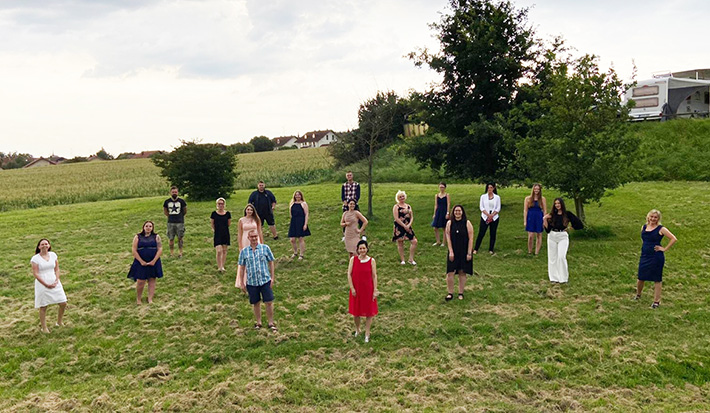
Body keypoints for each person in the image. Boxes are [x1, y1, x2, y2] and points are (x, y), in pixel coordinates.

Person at [635, 209, 677, 309]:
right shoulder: (644, 227)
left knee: (657, 278)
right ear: (648, 217)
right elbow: (644, 239)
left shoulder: (661, 229)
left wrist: (664, 249)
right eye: (651, 216)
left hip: (656, 257)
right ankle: (638, 295)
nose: (653, 219)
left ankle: (656, 301)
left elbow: (673, 238)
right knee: (641, 277)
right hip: (645, 255)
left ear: (658, 219)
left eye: (655, 217)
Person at [237, 230, 277, 332]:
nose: (254, 238)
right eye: (252, 237)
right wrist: (241, 282)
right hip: (252, 282)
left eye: (255, 236)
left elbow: (271, 262)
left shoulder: (265, 248)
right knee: (256, 303)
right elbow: (241, 267)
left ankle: (271, 322)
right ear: (248, 238)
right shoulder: (244, 252)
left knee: (268, 302)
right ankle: (258, 322)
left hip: (265, 280)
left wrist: (272, 277)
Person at [543, 198, 584, 284]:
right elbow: (547, 230)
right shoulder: (552, 215)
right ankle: (554, 278)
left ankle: (563, 278)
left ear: (562, 204)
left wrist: (570, 228)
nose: (557, 205)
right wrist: (545, 219)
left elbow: (579, 224)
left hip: (562, 236)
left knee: (561, 256)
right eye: (555, 203)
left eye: (558, 203)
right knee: (552, 258)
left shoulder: (567, 214)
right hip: (552, 236)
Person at [31, 239, 68, 333]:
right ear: (39, 247)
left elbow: (57, 269)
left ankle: (59, 322)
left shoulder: (53, 255)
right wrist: (45, 284)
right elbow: (36, 273)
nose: (44, 246)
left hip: (54, 281)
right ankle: (44, 328)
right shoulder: (35, 259)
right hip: (42, 283)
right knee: (43, 306)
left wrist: (56, 279)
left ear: (49, 245)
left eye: (46, 244)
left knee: (63, 302)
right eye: (42, 244)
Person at [348, 240, 378, 343]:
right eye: (360, 248)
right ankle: (357, 329)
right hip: (356, 290)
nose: (362, 250)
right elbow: (349, 274)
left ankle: (367, 333)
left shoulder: (371, 261)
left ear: (367, 249)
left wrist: (375, 290)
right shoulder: (353, 260)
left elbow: (374, 276)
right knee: (356, 312)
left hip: (368, 290)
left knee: (369, 312)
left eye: (364, 248)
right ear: (357, 249)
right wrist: (352, 288)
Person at [127, 221, 164, 304]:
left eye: (150, 226)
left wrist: (154, 261)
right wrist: (141, 261)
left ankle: (150, 299)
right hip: (141, 262)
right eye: (146, 226)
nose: (148, 227)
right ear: (143, 227)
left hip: (154, 261)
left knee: (152, 279)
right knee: (140, 281)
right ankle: (138, 299)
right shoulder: (137, 237)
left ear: (152, 228)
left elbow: (160, 248)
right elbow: (134, 249)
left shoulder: (156, 237)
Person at [445, 205, 474, 301]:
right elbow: (448, 238)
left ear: (462, 212)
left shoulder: (467, 223)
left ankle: (461, 293)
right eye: (456, 211)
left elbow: (471, 238)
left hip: (464, 250)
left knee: (462, 271)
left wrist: (469, 253)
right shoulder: (450, 223)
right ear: (453, 212)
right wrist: (451, 251)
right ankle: (450, 293)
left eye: (459, 211)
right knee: (450, 272)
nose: (457, 212)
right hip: (453, 250)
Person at [236, 204, 263, 291]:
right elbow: (239, 233)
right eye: (248, 210)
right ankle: (243, 281)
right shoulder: (241, 220)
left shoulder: (256, 219)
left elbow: (260, 231)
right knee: (245, 260)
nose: (249, 211)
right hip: (245, 240)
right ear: (245, 210)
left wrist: (261, 243)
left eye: (251, 210)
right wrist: (240, 245)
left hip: (255, 239)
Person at [474, 183, 501, 255]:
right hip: (485, 217)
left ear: (494, 188)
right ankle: (476, 248)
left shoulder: (497, 197)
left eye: (491, 187)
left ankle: (491, 249)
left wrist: (492, 215)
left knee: (493, 233)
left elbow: (498, 208)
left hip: (494, 217)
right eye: (488, 188)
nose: (490, 189)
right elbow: (481, 207)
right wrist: (487, 215)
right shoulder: (483, 197)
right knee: (481, 233)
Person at [392, 190, 418, 265]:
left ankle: (411, 259)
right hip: (399, 226)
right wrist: (404, 226)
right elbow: (396, 218)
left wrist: (409, 225)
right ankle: (402, 259)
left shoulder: (408, 206)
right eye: (400, 197)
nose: (402, 198)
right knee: (400, 242)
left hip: (408, 226)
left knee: (414, 241)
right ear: (398, 198)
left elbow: (412, 217)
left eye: (403, 196)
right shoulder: (396, 207)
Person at [523, 183, 547, 256]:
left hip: (539, 216)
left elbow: (545, 210)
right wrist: (525, 220)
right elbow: (525, 210)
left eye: (538, 189)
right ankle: (529, 251)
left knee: (539, 234)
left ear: (540, 190)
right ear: (533, 189)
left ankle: (537, 252)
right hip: (531, 216)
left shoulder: (542, 199)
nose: (536, 190)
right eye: (535, 189)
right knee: (530, 235)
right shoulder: (528, 199)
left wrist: (544, 220)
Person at [163, 186, 187, 257]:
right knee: (171, 238)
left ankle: (180, 252)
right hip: (170, 222)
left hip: (180, 222)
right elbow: (165, 211)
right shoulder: (166, 202)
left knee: (180, 238)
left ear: (177, 192)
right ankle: (172, 253)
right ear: (170, 192)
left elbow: (185, 211)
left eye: (175, 192)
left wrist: (180, 216)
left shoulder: (181, 201)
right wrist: (170, 216)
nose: (174, 193)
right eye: (173, 192)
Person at [288, 190, 311, 260]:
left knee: (300, 238)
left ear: (301, 196)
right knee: (292, 239)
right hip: (293, 222)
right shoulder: (292, 203)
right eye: (296, 195)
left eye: (299, 195)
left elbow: (306, 214)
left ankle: (301, 254)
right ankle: (295, 252)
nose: (297, 196)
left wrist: (305, 224)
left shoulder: (304, 204)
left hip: (301, 221)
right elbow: (290, 213)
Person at [210, 197, 231, 272]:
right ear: (217, 204)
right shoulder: (214, 214)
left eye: (222, 204)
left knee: (224, 250)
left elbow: (228, 224)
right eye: (219, 204)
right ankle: (219, 266)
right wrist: (215, 230)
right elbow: (212, 224)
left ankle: (222, 266)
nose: (221, 205)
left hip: (225, 233)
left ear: (224, 204)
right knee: (219, 251)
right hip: (217, 234)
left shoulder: (228, 214)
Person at [341, 171, 363, 240]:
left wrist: (353, 202)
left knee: (359, 219)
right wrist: (346, 202)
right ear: (346, 177)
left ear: (352, 176)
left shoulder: (356, 184)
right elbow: (343, 195)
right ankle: (345, 235)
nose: (349, 177)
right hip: (346, 205)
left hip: (354, 204)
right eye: (348, 176)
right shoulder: (344, 185)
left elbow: (358, 195)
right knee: (345, 220)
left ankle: (363, 234)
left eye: (350, 175)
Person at [431, 182, 451, 247]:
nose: (441, 188)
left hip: (444, 211)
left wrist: (447, 213)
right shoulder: (436, 195)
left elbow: (448, 204)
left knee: (444, 227)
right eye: (440, 187)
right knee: (435, 227)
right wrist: (434, 213)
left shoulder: (447, 195)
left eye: (442, 187)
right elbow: (436, 205)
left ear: (445, 188)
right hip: (438, 211)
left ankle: (444, 242)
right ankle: (438, 241)